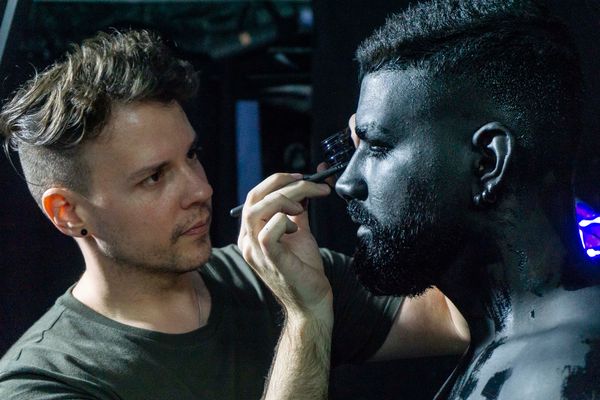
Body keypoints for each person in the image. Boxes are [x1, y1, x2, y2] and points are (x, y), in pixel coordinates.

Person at [0, 29, 468, 399]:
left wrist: (418, 163)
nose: (201, 189)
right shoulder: (44, 382)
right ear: (67, 212)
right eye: (155, 177)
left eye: (192, 155)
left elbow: (461, 320)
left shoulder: (269, 276)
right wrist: (306, 319)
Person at [238, 0, 600, 398]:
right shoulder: (507, 347)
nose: (347, 182)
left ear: (487, 162)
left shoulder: (561, 374)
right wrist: (306, 316)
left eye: (378, 147)